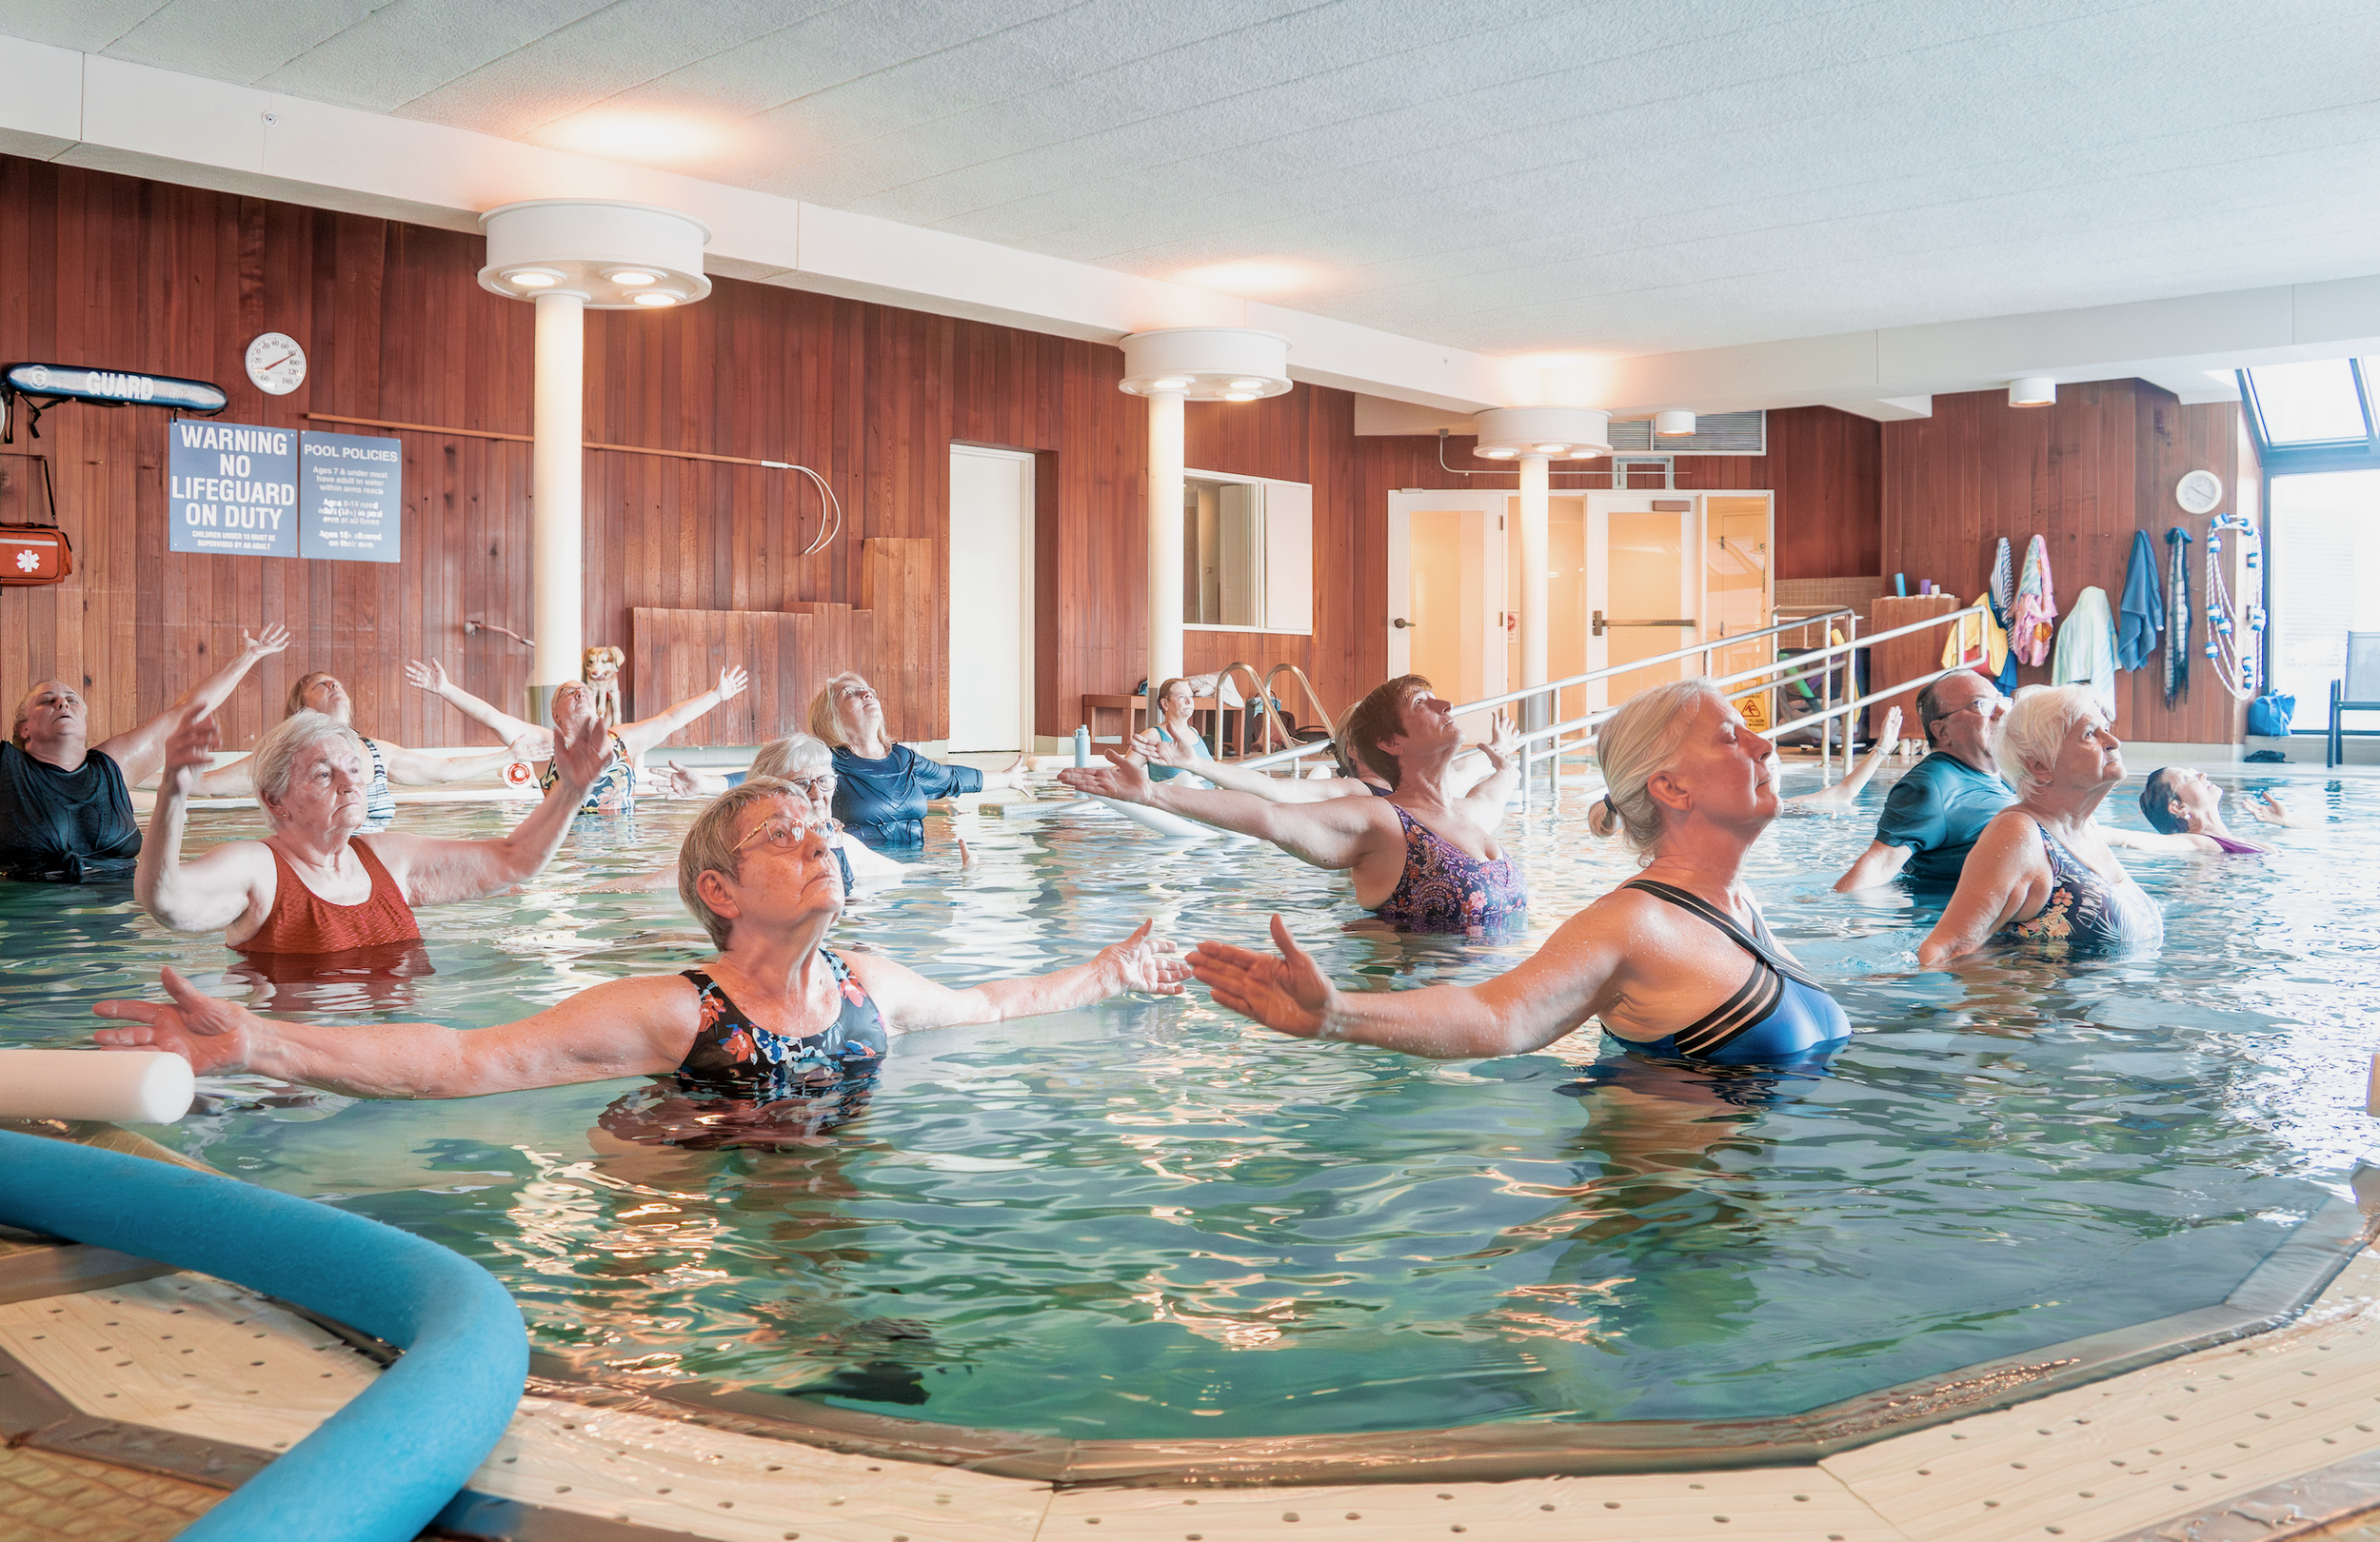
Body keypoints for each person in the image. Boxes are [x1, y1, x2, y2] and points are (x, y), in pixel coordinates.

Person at [93, 779, 1190, 1101]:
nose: (820, 842)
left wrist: (1108, 972)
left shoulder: (869, 984)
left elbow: (990, 1007)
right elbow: (472, 1059)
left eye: (822, 829)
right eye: (783, 835)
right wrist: (263, 1043)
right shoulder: (676, 1010)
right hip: (682, 1180)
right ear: (720, 888)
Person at [1185, 679, 1850, 1064]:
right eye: (1733, 737)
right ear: (1671, 789)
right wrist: (1340, 1015)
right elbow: (1499, 1012)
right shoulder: (1636, 923)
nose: (1766, 743)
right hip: (1679, 1234)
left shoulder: (1743, 907)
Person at [133, 686, 611, 955]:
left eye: (355, 769)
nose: (350, 783)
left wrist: (571, 791)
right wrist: (175, 791)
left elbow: (512, 861)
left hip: (402, 1058)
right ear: (275, 799)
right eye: (324, 773)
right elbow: (167, 901)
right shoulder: (258, 867)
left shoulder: (388, 856)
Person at [1061, 674, 1524, 934]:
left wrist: (1506, 765)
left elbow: (1498, 782)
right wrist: (1151, 792)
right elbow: (1271, 813)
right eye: (1423, 701)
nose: (1445, 702)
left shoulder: (1470, 813)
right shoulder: (1376, 817)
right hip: (1416, 1021)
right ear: (1389, 742)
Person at [0, 624, 292, 882]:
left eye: (72, 700)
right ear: (24, 729)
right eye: (47, 701)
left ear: (85, 722)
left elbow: (189, 709)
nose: (62, 704)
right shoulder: (7, 767)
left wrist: (249, 656)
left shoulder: (113, 766)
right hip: (33, 916)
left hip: (119, 916)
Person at [1916, 684, 2163, 966]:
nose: (2113, 741)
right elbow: (1941, 951)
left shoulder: (2085, 828)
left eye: (2106, 728)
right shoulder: (2020, 832)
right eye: (2089, 734)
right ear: (2039, 766)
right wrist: (2007, 1003)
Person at [196, 669, 539, 829]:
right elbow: (210, 785)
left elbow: (443, 771)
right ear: (302, 703)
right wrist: (141, 777)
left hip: (374, 866)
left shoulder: (376, 751)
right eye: (321, 684)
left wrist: (510, 756)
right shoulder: (286, 753)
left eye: (337, 683)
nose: (334, 685)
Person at [408, 660, 749, 816]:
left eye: (584, 690)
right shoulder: (545, 747)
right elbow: (492, 718)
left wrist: (716, 695)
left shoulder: (622, 740)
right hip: (570, 854)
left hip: (624, 848)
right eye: (569, 692)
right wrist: (445, 689)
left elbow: (670, 719)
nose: (579, 693)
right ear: (555, 714)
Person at [597, 735, 904, 894]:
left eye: (824, 780)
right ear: (768, 792)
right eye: (800, 784)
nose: (816, 792)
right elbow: (670, 882)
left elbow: (903, 877)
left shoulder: (843, 847)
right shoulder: (745, 848)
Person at [1834, 674, 2013, 891]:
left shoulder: (2006, 780)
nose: (2002, 713)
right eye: (1981, 705)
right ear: (1942, 730)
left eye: (2001, 701)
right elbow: (1878, 866)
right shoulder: (1931, 786)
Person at [812, 673, 1028, 845]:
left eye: (868, 691)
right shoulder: (826, 765)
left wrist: (1007, 779)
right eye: (850, 693)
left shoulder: (903, 758)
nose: (866, 694)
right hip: (866, 879)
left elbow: (951, 778)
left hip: (914, 873)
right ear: (830, 715)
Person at [2124, 767, 2316, 855]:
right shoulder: (2196, 841)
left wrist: (2288, 821)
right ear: (2179, 807)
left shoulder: (2237, 841)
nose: (2202, 774)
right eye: (2186, 778)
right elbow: (2130, 839)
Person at [1780, 705, 1903, 815]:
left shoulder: (1786, 806)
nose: (1773, 774)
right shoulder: (1777, 808)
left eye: (1775, 766)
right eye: (1770, 767)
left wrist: (1882, 747)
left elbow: (1845, 791)